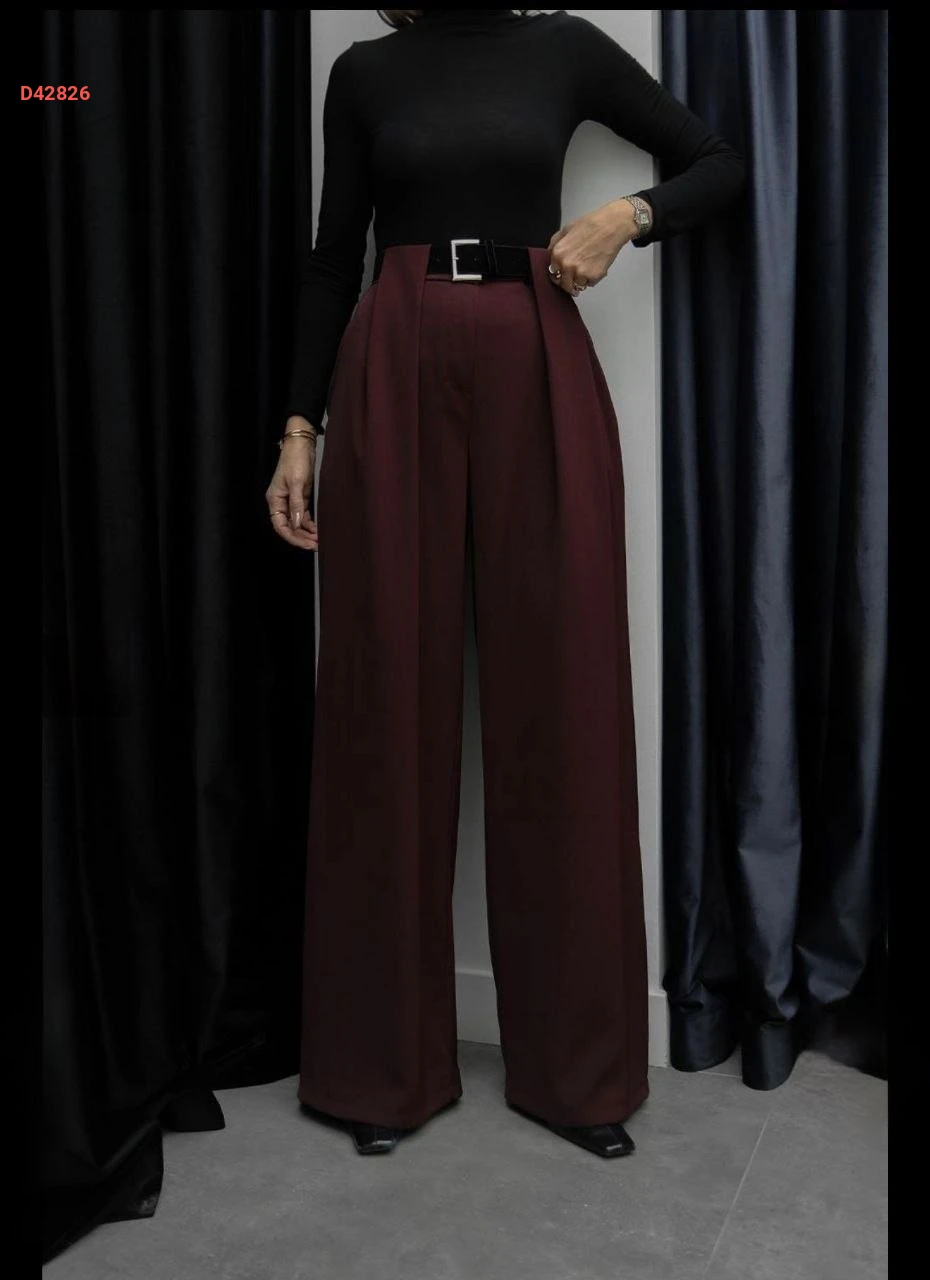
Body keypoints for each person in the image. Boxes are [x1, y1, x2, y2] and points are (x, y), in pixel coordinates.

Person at [266, 8, 744, 1158]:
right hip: (392, 367)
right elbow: (336, 254)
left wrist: (628, 216)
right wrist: (298, 428)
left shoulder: (565, 48)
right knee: (386, 704)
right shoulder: (365, 73)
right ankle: (380, 1069)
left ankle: (577, 1071)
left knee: (564, 701)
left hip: (540, 354)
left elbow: (718, 163)